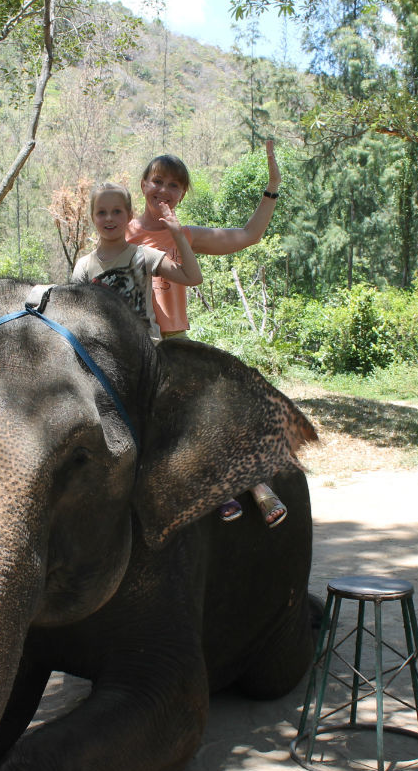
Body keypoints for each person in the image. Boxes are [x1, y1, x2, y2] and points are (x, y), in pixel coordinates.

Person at [125, 139, 287, 528]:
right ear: (143, 183)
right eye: (157, 181)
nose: (163, 191)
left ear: (182, 194)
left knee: (209, 408)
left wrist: (272, 186)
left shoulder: (186, 234)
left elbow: (249, 235)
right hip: (133, 341)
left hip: (175, 340)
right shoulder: (122, 230)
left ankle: (253, 486)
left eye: (174, 185)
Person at [71, 182, 201, 341]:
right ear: (93, 217)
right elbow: (75, 316)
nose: (109, 218)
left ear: (129, 216)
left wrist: (178, 235)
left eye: (117, 211)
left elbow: (193, 277)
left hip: (146, 355)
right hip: (102, 357)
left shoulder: (144, 256)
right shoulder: (84, 266)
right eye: (101, 212)